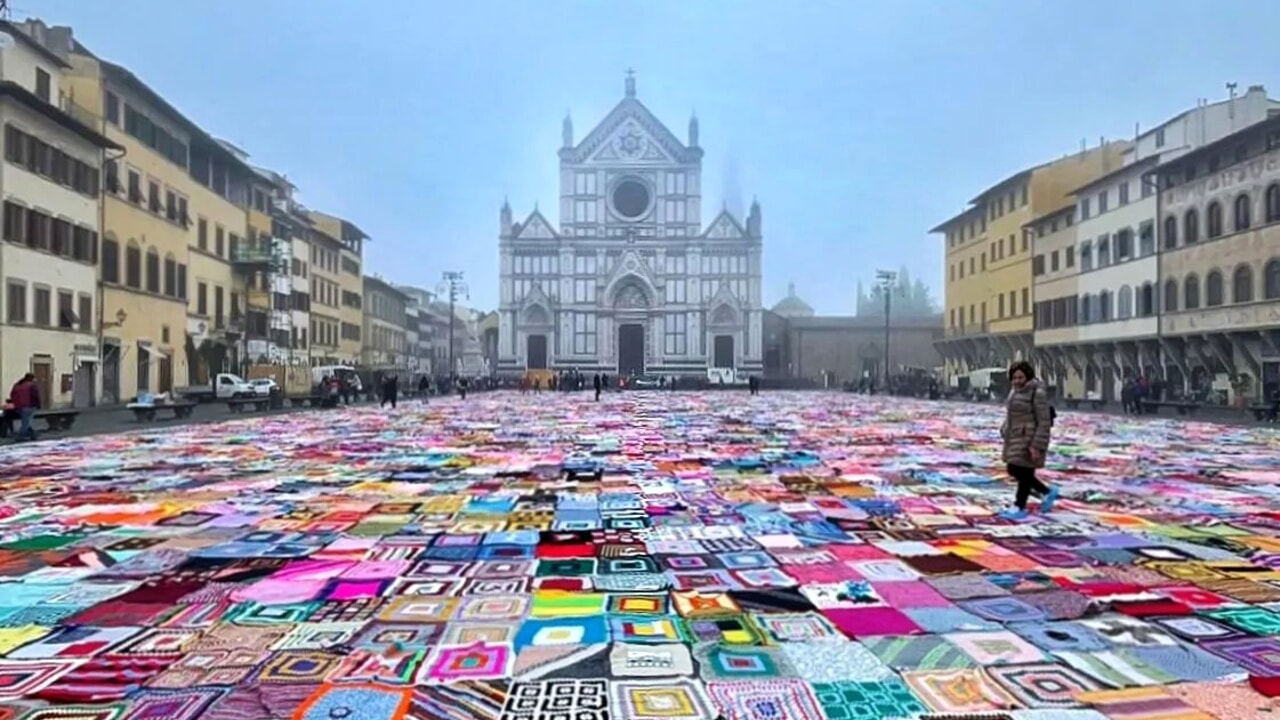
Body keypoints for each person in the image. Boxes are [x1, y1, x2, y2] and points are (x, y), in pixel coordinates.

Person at [999, 360, 1059, 519]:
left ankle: (1019, 506)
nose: (1017, 381)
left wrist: (1036, 445)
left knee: (1024, 471)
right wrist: (1005, 429)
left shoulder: (1036, 392)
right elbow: (1013, 414)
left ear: (1028, 377)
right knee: (1014, 469)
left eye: (1021, 377)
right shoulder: (1015, 391)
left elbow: (1043, 421)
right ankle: (1046, 492)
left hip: (1029, 437)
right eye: (1014, 378)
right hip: (1015, 436)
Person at [7, 373, 40, 442]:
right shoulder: (31, 386)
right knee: (26, 422)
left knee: (27, 421)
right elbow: (35, 396)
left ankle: (33, 435)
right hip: (29, 406)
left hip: (18, 406)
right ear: (31, 378)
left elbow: (12, 394)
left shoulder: (17, 385)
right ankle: (20, 436)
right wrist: (38, 405)